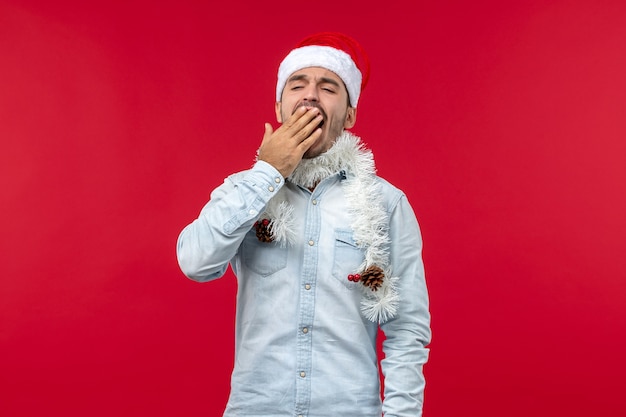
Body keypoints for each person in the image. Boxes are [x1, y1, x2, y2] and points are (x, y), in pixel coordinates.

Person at [176, 32, 431, 417]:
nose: (311, 95)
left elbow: (407, 331)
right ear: (280, 108)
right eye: (298, 84)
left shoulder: (388, 203)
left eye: (328, 87)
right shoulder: (243, 192)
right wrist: (267, 173)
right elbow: (195, 263)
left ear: (349, 115)